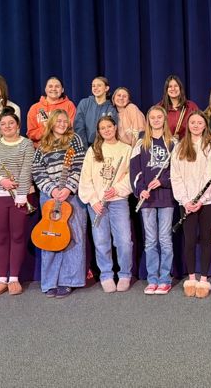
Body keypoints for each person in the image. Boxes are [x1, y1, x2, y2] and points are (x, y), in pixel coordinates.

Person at [32, 109, 88, 299]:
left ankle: (69, 280)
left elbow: (81, 166)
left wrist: (69, 188)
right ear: (52, 122)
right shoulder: (43, 145)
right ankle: (50, 281)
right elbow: (37, 171)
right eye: (59, 121)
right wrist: (51, 190)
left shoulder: (76, 140)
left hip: (71, 194)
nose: (62, 124)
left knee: (73, 236)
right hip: (50, 196)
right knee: (50, 237)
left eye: (65, 121)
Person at [0, 110, 35, 296]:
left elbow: (27, 170)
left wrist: (21, 196)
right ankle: (1, 279)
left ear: (18, 126)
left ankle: (14, 279)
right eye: (3, 124)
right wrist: (0, 180)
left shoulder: (27, 144)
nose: (7, 127)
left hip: (20, 197)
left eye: (11, 123)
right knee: (1, 237)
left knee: (18, 236)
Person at [78, 116, 133, 293]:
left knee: (124, 241)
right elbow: (85, 178)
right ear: (99, 132)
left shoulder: (126, 149)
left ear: (115, 127)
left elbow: (131, 176)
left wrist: (117, 189)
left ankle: (125, 274)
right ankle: (106, 275)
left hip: (118, 200)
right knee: (101, 241)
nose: (107, 130)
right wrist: (93, 200)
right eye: (103, 128)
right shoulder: (93, 150)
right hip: (97, 203)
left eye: (109, 126)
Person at [171, 112, 211, 299]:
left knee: (206, 239)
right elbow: (175, 176)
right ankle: (191, 278)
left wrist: (201, 199)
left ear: (205, 125)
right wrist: (185, 200)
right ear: (188, 125)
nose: (196, 125)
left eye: (200, 122)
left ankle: (204, 278)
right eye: (193, 122)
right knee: (190, 240)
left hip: (207, 201)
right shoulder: (179, 147)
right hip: (187, 202)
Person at [130, 106, 175, 295]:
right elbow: (134, 171)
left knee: (165, 240)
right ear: (148, 120)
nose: (156, 120)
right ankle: (152, 279)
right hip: (147, 199)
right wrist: (140, 190)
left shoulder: (173, 143)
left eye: (159, 117)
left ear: (164, 119)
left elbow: (179, 173)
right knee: (150, 241)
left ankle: (165, 278)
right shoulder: (141, 143)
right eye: (152, 117)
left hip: (165, 198)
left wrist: (163, 181)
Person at [26, 76, 77, 147]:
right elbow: (31, 134)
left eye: (57, 86)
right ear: (45, 89)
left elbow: (71, 129)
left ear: (62, 90)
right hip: (41, 149)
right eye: (50, 86)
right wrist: (45, 128)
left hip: (63, 147)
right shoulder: (35, 108)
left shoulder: (69, 105)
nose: (53, 89)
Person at [75, 76, 118, 147]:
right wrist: (84, 147)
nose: (95, 88)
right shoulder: (84, 103)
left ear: (106, 88)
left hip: (104, 147)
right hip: (85, 147)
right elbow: (78, 127)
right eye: (93, 86)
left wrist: (100, 148)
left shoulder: (111, 108)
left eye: (99, 85)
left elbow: (112, 131)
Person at [158, 75, 199, 139]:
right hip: (166, 144)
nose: (173, 89)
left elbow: (199, 126)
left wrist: (181, 137)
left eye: (176, 86)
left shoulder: (191, 106)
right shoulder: (159, 107)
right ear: (166, 90)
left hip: (187, 143)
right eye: (170, 86)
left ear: (180, 88)